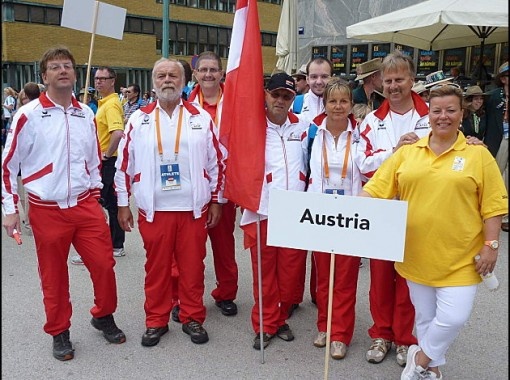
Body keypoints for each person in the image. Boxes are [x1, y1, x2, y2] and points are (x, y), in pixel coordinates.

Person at [360, 83, 508, 380]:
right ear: (429, 113)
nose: (443, 116)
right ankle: (432, 370)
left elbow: (493, 206)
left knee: (454, 317)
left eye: (451, 110)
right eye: (437, 110)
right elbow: (375, 191)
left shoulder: (478, 155)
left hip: (462, 259)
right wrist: (346, 219)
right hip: (415, 255)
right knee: (427, 319)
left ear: (461, 113)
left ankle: (420, 358)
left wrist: (491, 245)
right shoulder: (409, 151)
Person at [1, 46, 125, 361]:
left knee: (104, 265)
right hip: (47, 208)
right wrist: (10, 210)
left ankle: (103, 315)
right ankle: (59, 331)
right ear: (44, 77)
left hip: (84, 205)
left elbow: (95, 160)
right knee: (54, 275)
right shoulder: (27, 115)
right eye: (55, 67)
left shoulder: (86, 113)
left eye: (67, 65)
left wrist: (96, 195)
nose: (63, 70)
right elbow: (7, 165)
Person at [114, 57, 226, 347]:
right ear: (154, 82)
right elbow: (124, 165)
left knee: (193, 267)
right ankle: (156, 320)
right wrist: (123, 203)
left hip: (192, 210)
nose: (167, 80)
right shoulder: (138, 119)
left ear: (183, 81)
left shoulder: (200, 117)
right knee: (157, 269)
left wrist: (216, 200)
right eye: (161, 75)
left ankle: (192, 317)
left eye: (173, 76)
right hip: (155, 210)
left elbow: (217, 164)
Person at [356, 50, 428, 367]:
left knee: (409, 277)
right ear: (380, 83)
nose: (394, 85)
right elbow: (362, 163)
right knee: (381, 277)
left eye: (400, 79)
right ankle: (381, 333)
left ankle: (404, 338)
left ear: (412, 80)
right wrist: (394, 153)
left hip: (418, 209)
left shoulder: (429, 116)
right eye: (388, 80)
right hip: (383, 210)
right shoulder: (372, 121)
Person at [239, 72, 309, 350]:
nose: (280, 100)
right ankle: (265, 323)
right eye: (275, 94)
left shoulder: (303, 127)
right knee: (264, 273)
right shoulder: (253, 126)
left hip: (294, 212)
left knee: (290, 275)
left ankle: (279, 318)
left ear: (293, 98)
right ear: (266, 94)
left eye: (287, 96)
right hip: (264, 212)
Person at [306, 78, 363, 360]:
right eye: (332, 101)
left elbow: (373, 163)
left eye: (343, 101)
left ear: (351, 105)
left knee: (345, 277)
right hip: (320, 213)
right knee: (324, 277)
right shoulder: (313, 133)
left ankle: (340, 334)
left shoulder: (363, 133)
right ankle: (325, 327)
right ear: (324, 104)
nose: (338, 106)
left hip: (352, 215)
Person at [187, 51, 239, 318]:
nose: (208, 74)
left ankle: (226, 293)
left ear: (221, 73)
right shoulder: (184, 104)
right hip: (193, 185)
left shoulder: (234, 101)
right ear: (195, 74)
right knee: (190, 248)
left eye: (213, 70)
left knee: (223, 243)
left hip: (225, 184)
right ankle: (186, 296)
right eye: (203, 70)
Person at [292, 56, 334, 311]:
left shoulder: (340, 104)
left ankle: (320, 294)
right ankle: (292, 297)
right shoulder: (297, 104)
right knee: (297, 248)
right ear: (307, 79)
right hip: (299, 183)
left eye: (324, 76)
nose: (319, 81)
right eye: (314, 76)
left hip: (328, 184)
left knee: (324, 244)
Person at [484, 61, 509, 232]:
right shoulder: (494, 96)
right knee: (496, 175)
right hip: (499, 139)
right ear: (504, 79)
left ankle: (506, 215)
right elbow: (485, 118)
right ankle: (493, 212)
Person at [15, 82, 41, 235]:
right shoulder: (21, 112)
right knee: (22, 188)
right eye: (23, 98)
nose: (26, 100)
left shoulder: (39, 111)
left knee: (30, 188)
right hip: (20, 154)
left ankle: (32, 219)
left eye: (27, 97)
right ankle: (28, 217)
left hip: (34, 157)